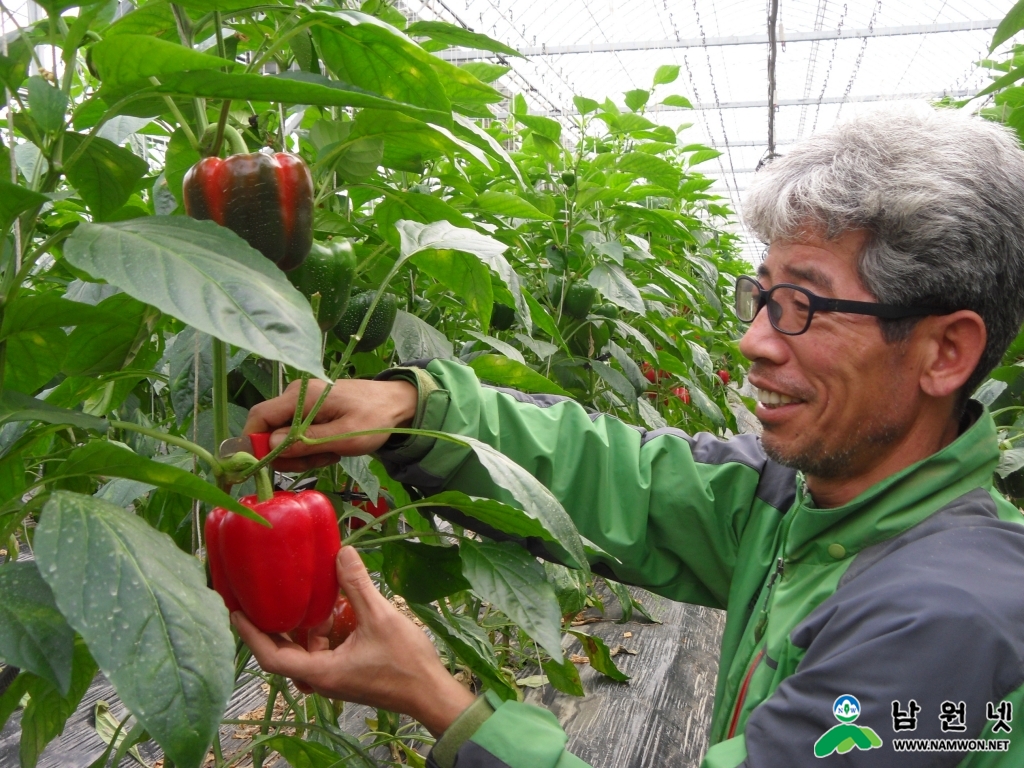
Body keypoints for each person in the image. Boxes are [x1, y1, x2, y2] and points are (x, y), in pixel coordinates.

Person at [232, 108, 1024, 767]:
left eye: (802, 307)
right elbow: (631, 482)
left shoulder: (945, 621)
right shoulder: (815, 505)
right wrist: (418, 412)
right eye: (761, 295)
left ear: (943, 352)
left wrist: (440, 701)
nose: (753, 340)